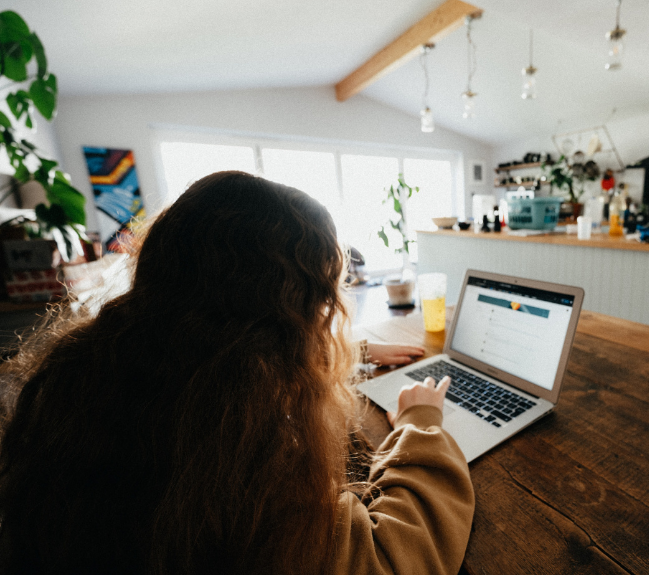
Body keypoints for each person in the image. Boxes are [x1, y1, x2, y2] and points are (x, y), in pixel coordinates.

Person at [0, 171, 474, 574]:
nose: (324, 317)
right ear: (284, 319)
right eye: (318, 300)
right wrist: (421, 425)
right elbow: (390, 558)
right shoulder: (235, 453)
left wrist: (357, 350)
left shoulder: (92, 369)